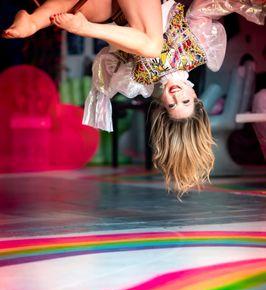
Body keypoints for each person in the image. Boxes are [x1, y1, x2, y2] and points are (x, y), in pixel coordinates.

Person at [2, 0, 265, 196]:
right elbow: (209, 5)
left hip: (119, 10)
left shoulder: (139, 78)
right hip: (146, 4)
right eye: (185, 101)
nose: (176, 97)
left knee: (84, 10)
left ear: (162, 106)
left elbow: (111, 55)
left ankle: (35, 19)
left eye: (172, 105)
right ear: (195, 95)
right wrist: (253, 7)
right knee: (150, 45)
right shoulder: (195, 50)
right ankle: (63, 25)